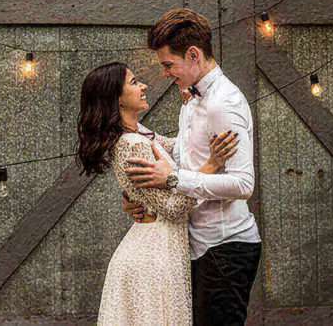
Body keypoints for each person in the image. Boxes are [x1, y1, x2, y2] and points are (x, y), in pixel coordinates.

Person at [123, 8, 262, 326]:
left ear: (194, 55)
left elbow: (243, 184)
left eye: (169, 65)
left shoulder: (222, 104)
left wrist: (173, 179)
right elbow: (186, 154)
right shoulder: (192, 100)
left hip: (226, 248)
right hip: (202, 246)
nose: (165, 73)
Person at [76, 62, 239, 326]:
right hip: (152, 259)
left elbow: (180, 148)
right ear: (117, 100)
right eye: (133, 82)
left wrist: (192, 109)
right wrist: (212, 165)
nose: (143, 86)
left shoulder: (140, 135)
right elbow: (173, 209)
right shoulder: (131, 146)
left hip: (160, 250)